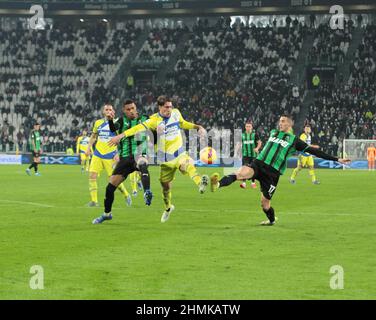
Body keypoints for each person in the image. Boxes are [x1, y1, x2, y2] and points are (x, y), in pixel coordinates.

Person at [210, 115, 351, 226]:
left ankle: (271, 220)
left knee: (265, 205)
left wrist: (337, 159)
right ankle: (217, 184)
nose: (280, 123)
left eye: (283, 121)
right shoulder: (273, 132)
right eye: (279, 121)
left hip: (273, 174)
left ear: (289, 124)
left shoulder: (294, 140)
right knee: (240, 173)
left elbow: (314, 151)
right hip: (259, 163)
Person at [108, 95, 209, 223]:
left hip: (179, 153)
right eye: (167, 107)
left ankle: (200, 183)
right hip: (165, 160)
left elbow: (183, 123)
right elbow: (137, 128)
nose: (169, 109)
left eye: (171, 106)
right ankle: (168, 208)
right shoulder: (153, 120)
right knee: (165, 187)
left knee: (187, 165)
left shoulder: (176, 113)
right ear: (160, 107)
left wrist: (198, 127)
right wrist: (121, 136)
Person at [92, 100, 153, 224]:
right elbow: (113, 129)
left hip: (139, 153)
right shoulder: (121, 120)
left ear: (136, 108)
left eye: (133, 108)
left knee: (142, 164)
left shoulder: (145, 118)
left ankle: (147, 191)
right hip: (125, 158)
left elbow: (154, 128)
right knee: (110, 188)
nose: (131, 111)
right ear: (124, 111)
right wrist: (110, 119)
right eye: (128, 109)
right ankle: (107, 214)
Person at [86, 104, 131, 208]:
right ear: (103, 112)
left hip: (110, 156)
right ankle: (94, 201)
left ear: (113, 112)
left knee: (114, 180)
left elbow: (122, 139)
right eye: (106, 109)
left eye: (110, 109)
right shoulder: (98, 123)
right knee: (92, 176)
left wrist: (118, 153)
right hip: (98, 154)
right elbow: (93, 136)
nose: (108, 111)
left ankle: (126, 194)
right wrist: (89, 147)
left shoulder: (117, 124)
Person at [235, 121, 262, 189]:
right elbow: (238, 144)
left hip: (253, 155)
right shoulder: (242, 135)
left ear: (252, 127)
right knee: (244, 169)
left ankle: (253, 183)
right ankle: (244, 183)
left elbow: (259, 142)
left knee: (253, 169)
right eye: (247, 126)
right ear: (245, 127)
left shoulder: (255, 135)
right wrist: (236, 152)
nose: (248, 128)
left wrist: (257, 148)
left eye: (249, 126)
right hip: (245, 155)